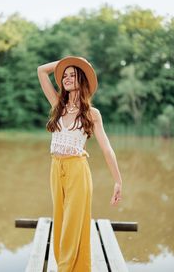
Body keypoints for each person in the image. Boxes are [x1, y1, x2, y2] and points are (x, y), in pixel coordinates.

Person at [37, 55, 122, 272]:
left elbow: (106, 148)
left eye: (72, 75)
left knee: (73, 226)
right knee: (61, 221)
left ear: (82, 79)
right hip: (56, 168)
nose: (66, 78)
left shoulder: (92, 114)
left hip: (77, 170)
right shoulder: (58, 104)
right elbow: (41, 70)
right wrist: (66, 63)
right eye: (64, 75)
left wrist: (118, 181)